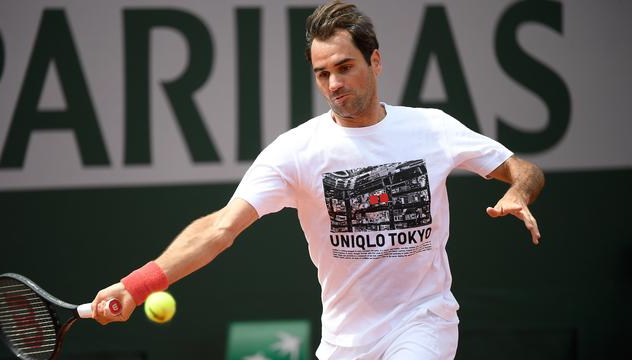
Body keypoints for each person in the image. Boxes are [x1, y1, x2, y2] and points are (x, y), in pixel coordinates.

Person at [91, 1, 544, 359]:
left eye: (345, 67)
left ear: (376, 61)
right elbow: (220, 228)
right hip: (344, 342)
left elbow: (524, 168)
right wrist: (137, 285)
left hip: (424, 321)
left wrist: (518, 190)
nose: (333, 83)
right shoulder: (295, 151)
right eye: (322, 73)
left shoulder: (433, 128)